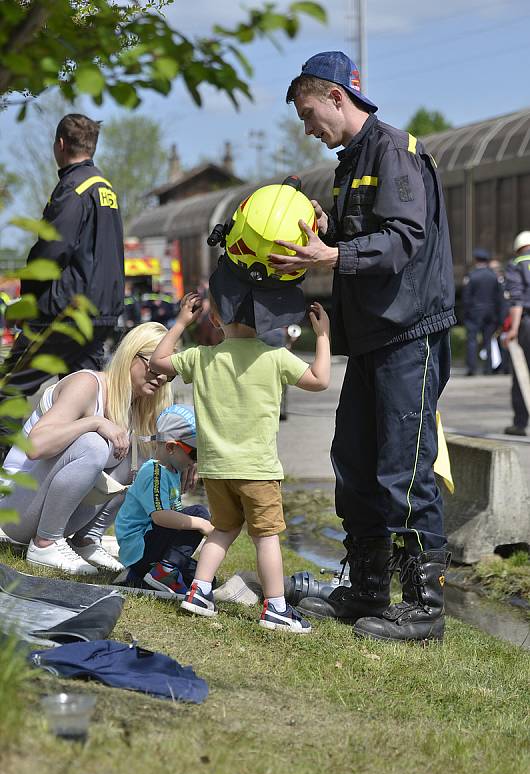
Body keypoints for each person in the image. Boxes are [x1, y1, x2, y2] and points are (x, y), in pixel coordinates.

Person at [269, 51, 456, 642]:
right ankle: (368, 589)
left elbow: (402, 239)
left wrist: (332, 255)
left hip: (410, 332)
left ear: (335, 98)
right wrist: (328, 230)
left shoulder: (395, 149)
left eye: (307, 113)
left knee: (405, 465)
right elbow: (369, 233)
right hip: (373, 336)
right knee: (354, 463)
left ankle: (423, 606)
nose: (307, 128)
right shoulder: (351, 163)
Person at [149, 284, 331, 634]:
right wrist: (322, 336)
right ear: (266, 321)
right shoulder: (275, 356)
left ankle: (199, 591)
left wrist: (181, 323)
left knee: (224, 529)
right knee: (267, 538)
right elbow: (320, 379)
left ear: (215, 319)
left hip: (216, 470)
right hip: (257, 470)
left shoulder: (201, 356)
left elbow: (158, 361)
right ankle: (276, 608)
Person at [0, 323, 176, 575]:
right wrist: (94, 422)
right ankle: (45, 543)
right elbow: (35, 446)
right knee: (93, 443)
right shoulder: (87, 384)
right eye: (154, 366)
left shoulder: (135, 406)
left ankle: (86, 539)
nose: (160, 377)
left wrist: (182, 461)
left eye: (168, 373)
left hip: (41, 508)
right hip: (13, 510)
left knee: (140, 461)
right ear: (131, 355)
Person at [0, 114, 124, 452]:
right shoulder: (104, 189)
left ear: (60, 145)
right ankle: (88, 480)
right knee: (84, 399)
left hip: (62, 315)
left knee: (9, 391)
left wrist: (28, 303)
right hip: (99, 316)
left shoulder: (74, 188)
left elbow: (52, 249)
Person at [113, 403, 214, 595]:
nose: (195, 461)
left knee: (200, 576)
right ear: (170, 447)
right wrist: (200, 523)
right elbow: (160, 517)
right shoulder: (154, 472)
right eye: (194, 454)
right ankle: (165, 570)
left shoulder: (172, 470)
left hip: (151, 545)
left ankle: (139, 578)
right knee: (198, 513)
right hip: (140, 548)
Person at [503, 231, 530, 436]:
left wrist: (513, 329)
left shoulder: (516, 264)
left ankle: (520, 424)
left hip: (527, 324)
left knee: (522, 375)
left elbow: (517, 300)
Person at [462, 248, 503, 375]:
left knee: (472, 340)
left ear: (476, 260)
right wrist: (498, 314)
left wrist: (466, 312)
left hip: (474, 311)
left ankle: (472, 368)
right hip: (490, 312)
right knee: (488, 340)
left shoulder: (472, 276)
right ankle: (488, 368)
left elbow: (466, 297)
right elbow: (498, 297)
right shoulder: (493, 276)